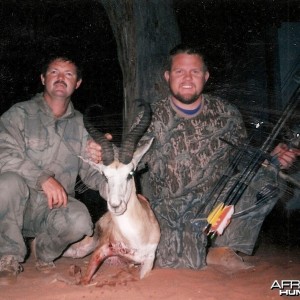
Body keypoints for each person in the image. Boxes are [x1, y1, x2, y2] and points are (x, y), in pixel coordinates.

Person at [87, 44, 299, 270]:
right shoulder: (151, 116)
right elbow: (131, 159)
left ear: (206, 76)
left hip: (217, 202)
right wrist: (104, 154)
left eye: (195, 72)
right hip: (168, 212)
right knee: (174, 262)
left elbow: (245, 161)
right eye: (179, 71)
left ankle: (224, 247)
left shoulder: (227, 113)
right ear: (168, 76)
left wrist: (271, 159)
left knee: (269, 178)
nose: (187, 78)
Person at [0, 56, 105, 285]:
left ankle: (44, 253)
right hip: (17, 204)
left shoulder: (82, 125)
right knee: (6, 183)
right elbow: (3, 154)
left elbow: (91, 173)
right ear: (42, 78)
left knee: (81, 222)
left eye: (68, 74)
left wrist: (112, 174)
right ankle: (7, 256)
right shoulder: (18, 114)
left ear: (77, 83)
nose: (60, 78)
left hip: (52, 208)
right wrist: (43, 178)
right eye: (54, 72)